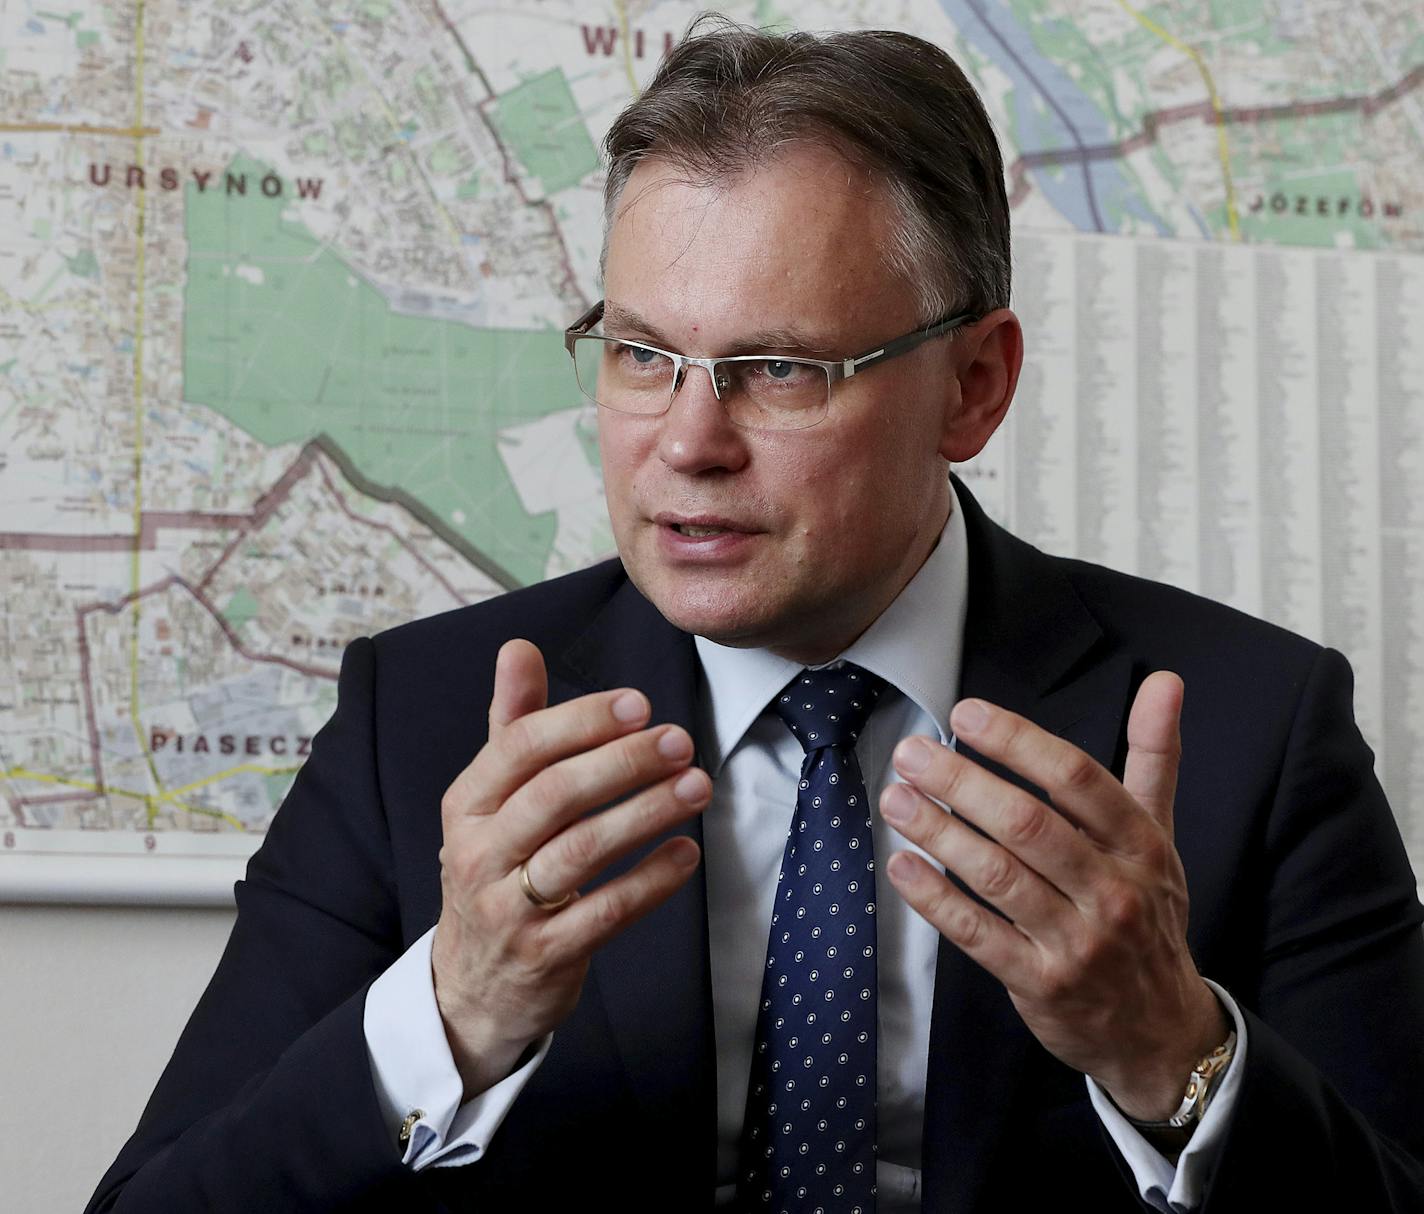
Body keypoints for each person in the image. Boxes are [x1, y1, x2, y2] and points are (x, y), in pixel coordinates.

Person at [89, 16, 1424, 1213]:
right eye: (640, 354)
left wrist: (1171, 1051)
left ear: (973, 382)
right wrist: (448, 1016)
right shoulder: (422, 724)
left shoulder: (1254, 731)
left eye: (778, 368)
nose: (685, 443)